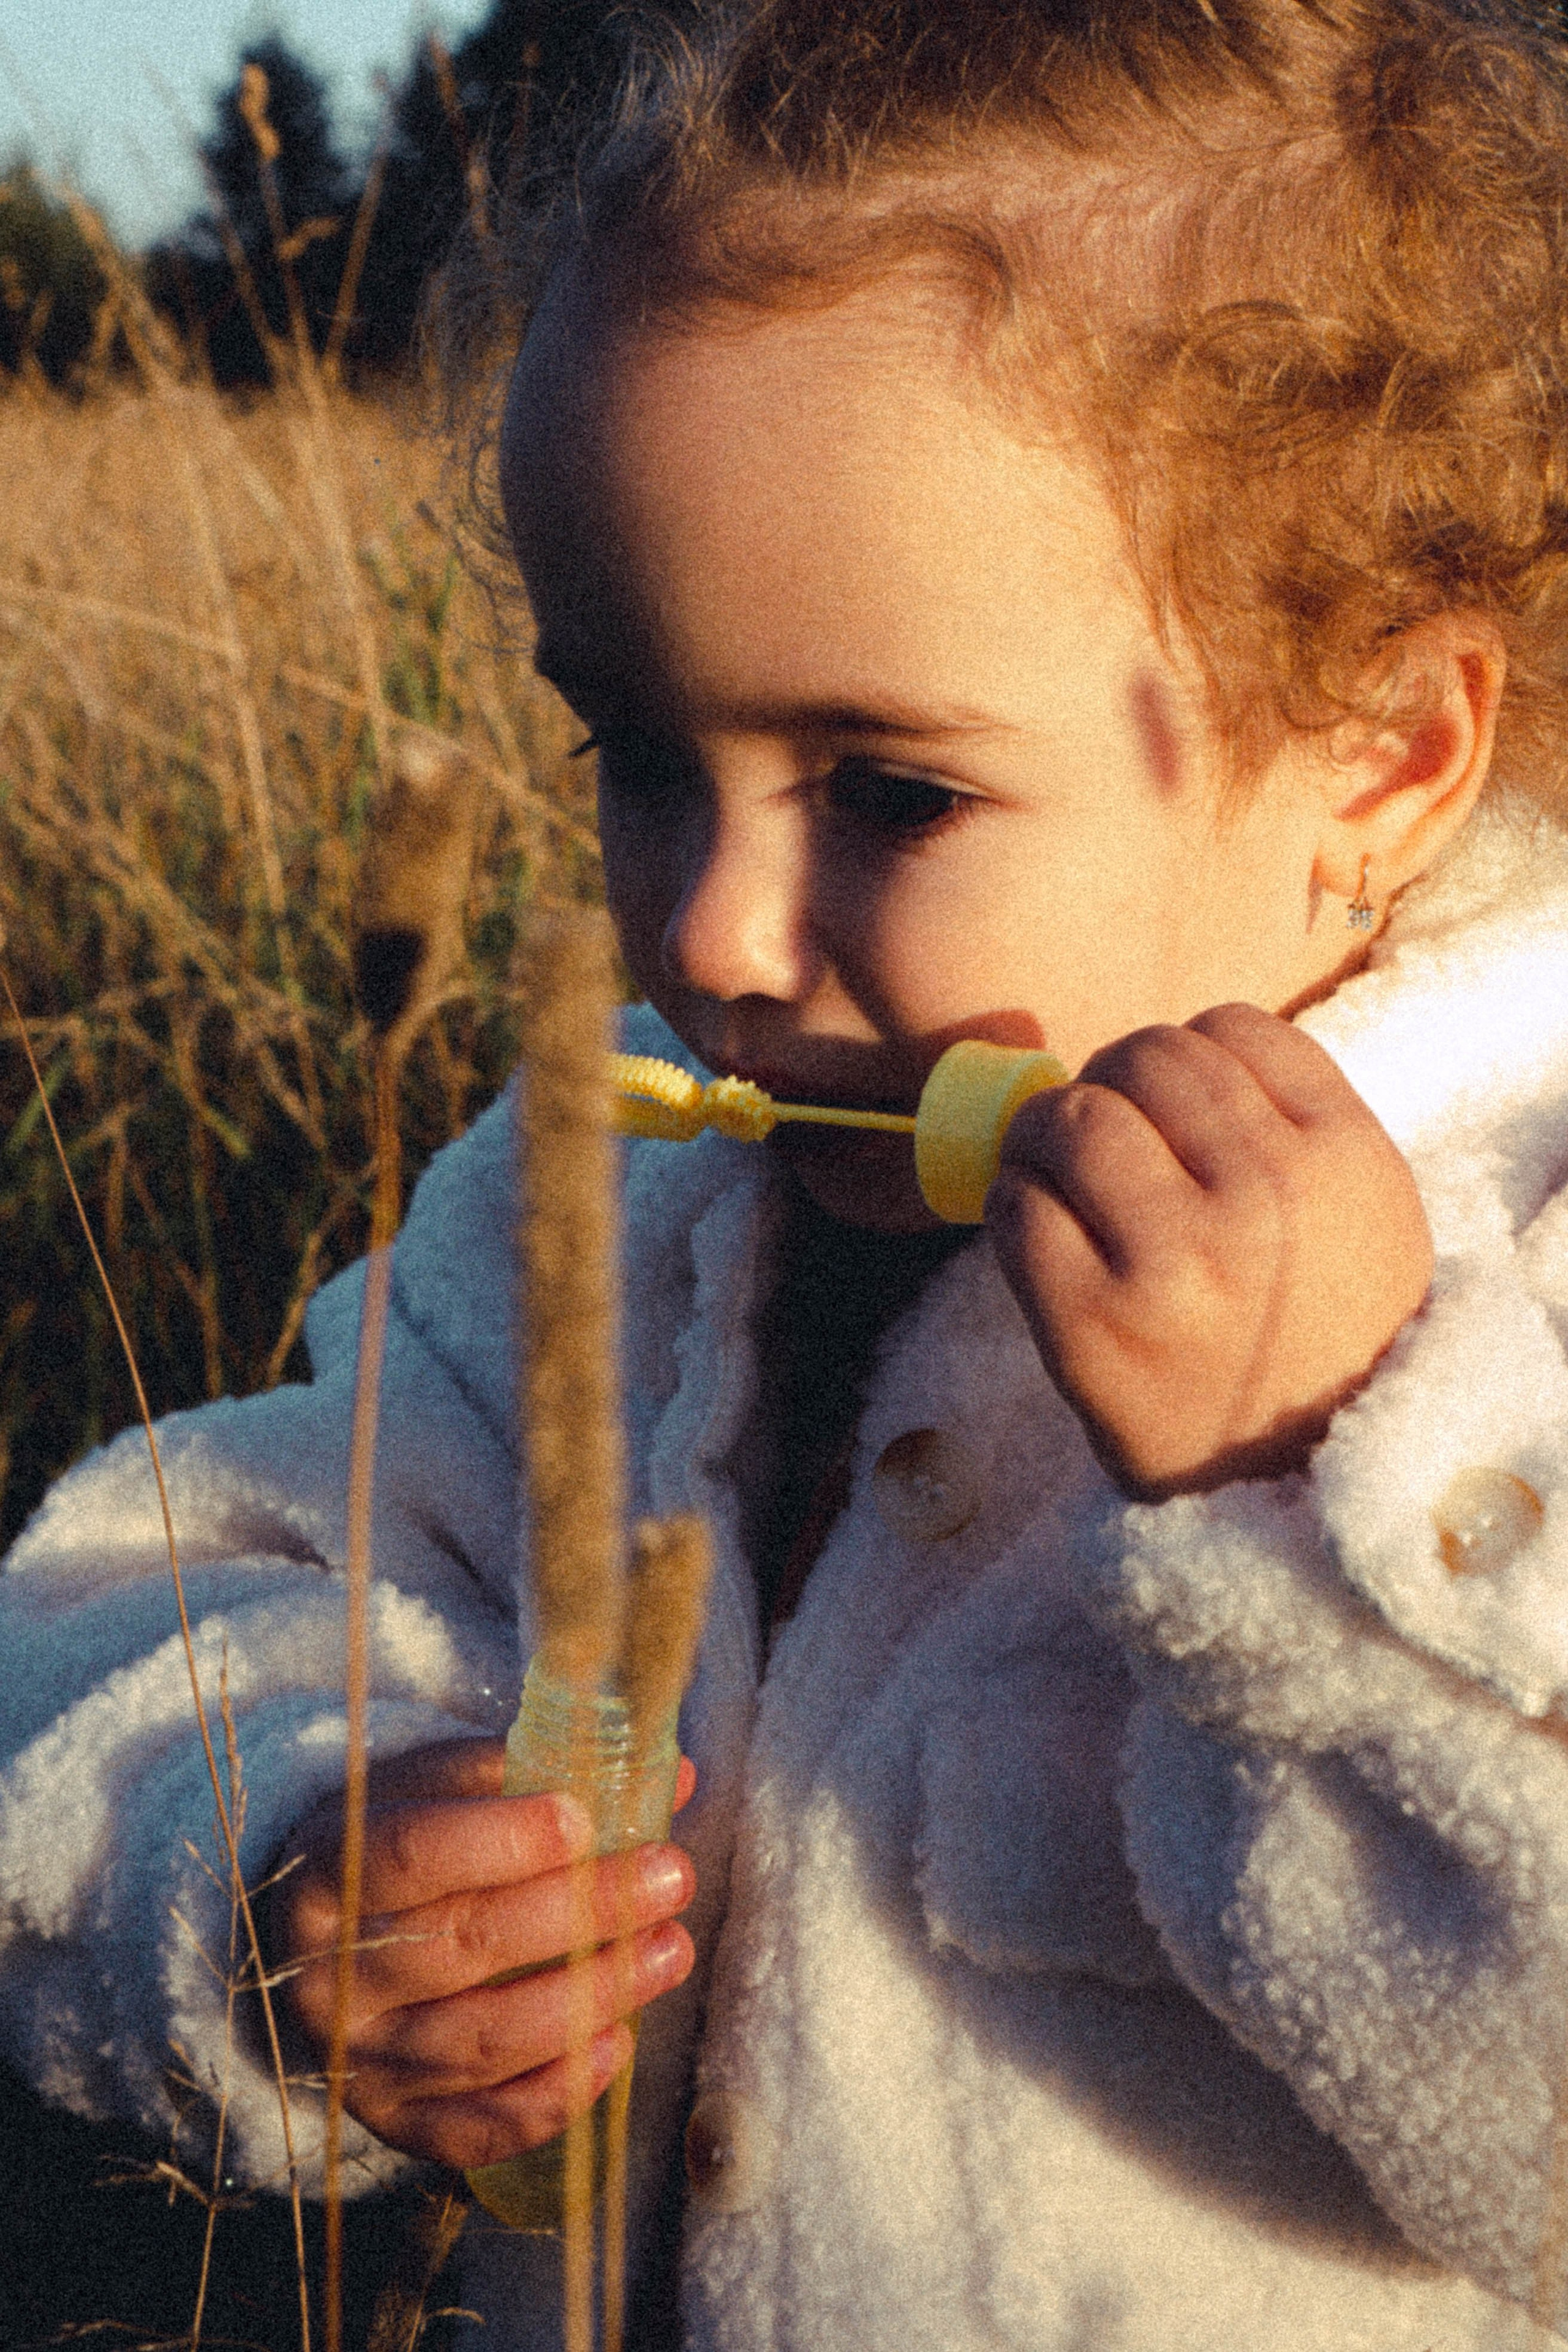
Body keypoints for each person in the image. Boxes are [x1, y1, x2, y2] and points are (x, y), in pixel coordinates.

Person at [6, 0, 1568, 2343]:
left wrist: (1296, 1493)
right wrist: (280, 1873)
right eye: (634, 747)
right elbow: (135, 1606)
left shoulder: (1512, 1265)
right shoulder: (596, 1219)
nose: (710, 933)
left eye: (888, 792)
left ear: (1383, 749)